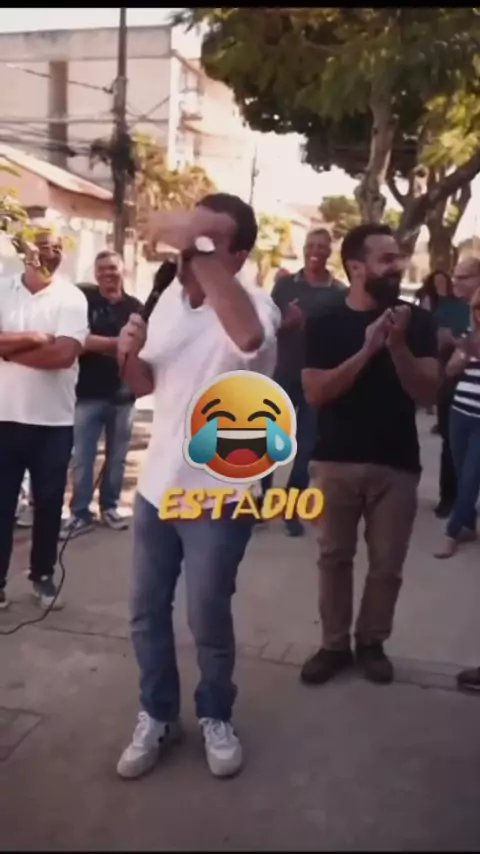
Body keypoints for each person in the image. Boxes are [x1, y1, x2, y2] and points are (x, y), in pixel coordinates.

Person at [116, 194, 279, 780]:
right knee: (145, 612)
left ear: (238, 255)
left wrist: (193, 241)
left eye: (208, 242)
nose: (188, 252)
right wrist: (126, 355)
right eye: (188, 240)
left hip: (218, 495)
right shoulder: (167, 304)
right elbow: (143, 385)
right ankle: (158, 714)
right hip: (157, 488)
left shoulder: (254, 305)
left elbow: (249, 339)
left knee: (206, 615)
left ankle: (215, 714)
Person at [299, 224, 439, 686]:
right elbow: (317, 392)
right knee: (333, 557)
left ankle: (372, 643)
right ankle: (334, 645)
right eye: (386, 259)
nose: (397, 267)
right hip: (335, 461)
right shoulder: (324, 321)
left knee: (387, 565)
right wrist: (367, 350)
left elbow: (428, 391)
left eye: (398, 257)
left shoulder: (417, 323)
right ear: (356, 267)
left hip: (396, 464)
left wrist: (397, 347)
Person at [0, 228, 88, 610]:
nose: (49, 254)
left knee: (49, 506)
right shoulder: (3, 288)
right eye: (41, 247)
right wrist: (36, 337)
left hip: (53, 422)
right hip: (4, 418)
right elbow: (51, 347)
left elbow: (64, 355)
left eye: (56, 248)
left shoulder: (71, 298)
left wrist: (7, 349)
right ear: (25, 251)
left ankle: (43, 576)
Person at [261, 228, 346, 537]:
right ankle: (265, 501)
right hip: (282, 373)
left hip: (316, 378)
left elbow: (342, 336)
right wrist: (287, 324)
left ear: (329, 252)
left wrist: (310, 326)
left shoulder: (339, 293)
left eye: (322, 246)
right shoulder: (285, 286)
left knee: (306, 445)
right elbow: (267, 327)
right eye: (311, 245)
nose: (315, 251)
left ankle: (291, 507)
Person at [59, 251, 143, 540]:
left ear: (123, 271)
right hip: (87, 393)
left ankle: (110, 507)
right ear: (95, 273)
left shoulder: (135, 307)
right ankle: (80, 513)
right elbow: (77, 340)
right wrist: (117, 343)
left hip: (123, 395)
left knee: (117, 458)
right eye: (102, 269)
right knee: (82, 458)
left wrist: (106, 345)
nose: (108, 273)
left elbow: (141, 344)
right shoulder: (84, 301)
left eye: (113, 268)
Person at [416, 270, 471, 518]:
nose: (457, 282)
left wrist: (459, 343)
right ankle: (448, 497)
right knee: (450, 442)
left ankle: (463, 502)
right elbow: (428, 340)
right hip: (446, 377)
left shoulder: (466, 308)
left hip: (469, 380)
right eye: (457, 277)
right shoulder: (433, 306)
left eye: (465, 277)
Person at [435, 286, 480, 559]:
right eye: (477, 308)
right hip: (460, 412)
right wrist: (463, 355)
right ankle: (468, 525)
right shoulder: (469, 336)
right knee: (462, 472)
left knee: (471, 477)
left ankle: (451, 533)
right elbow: (450, 370)